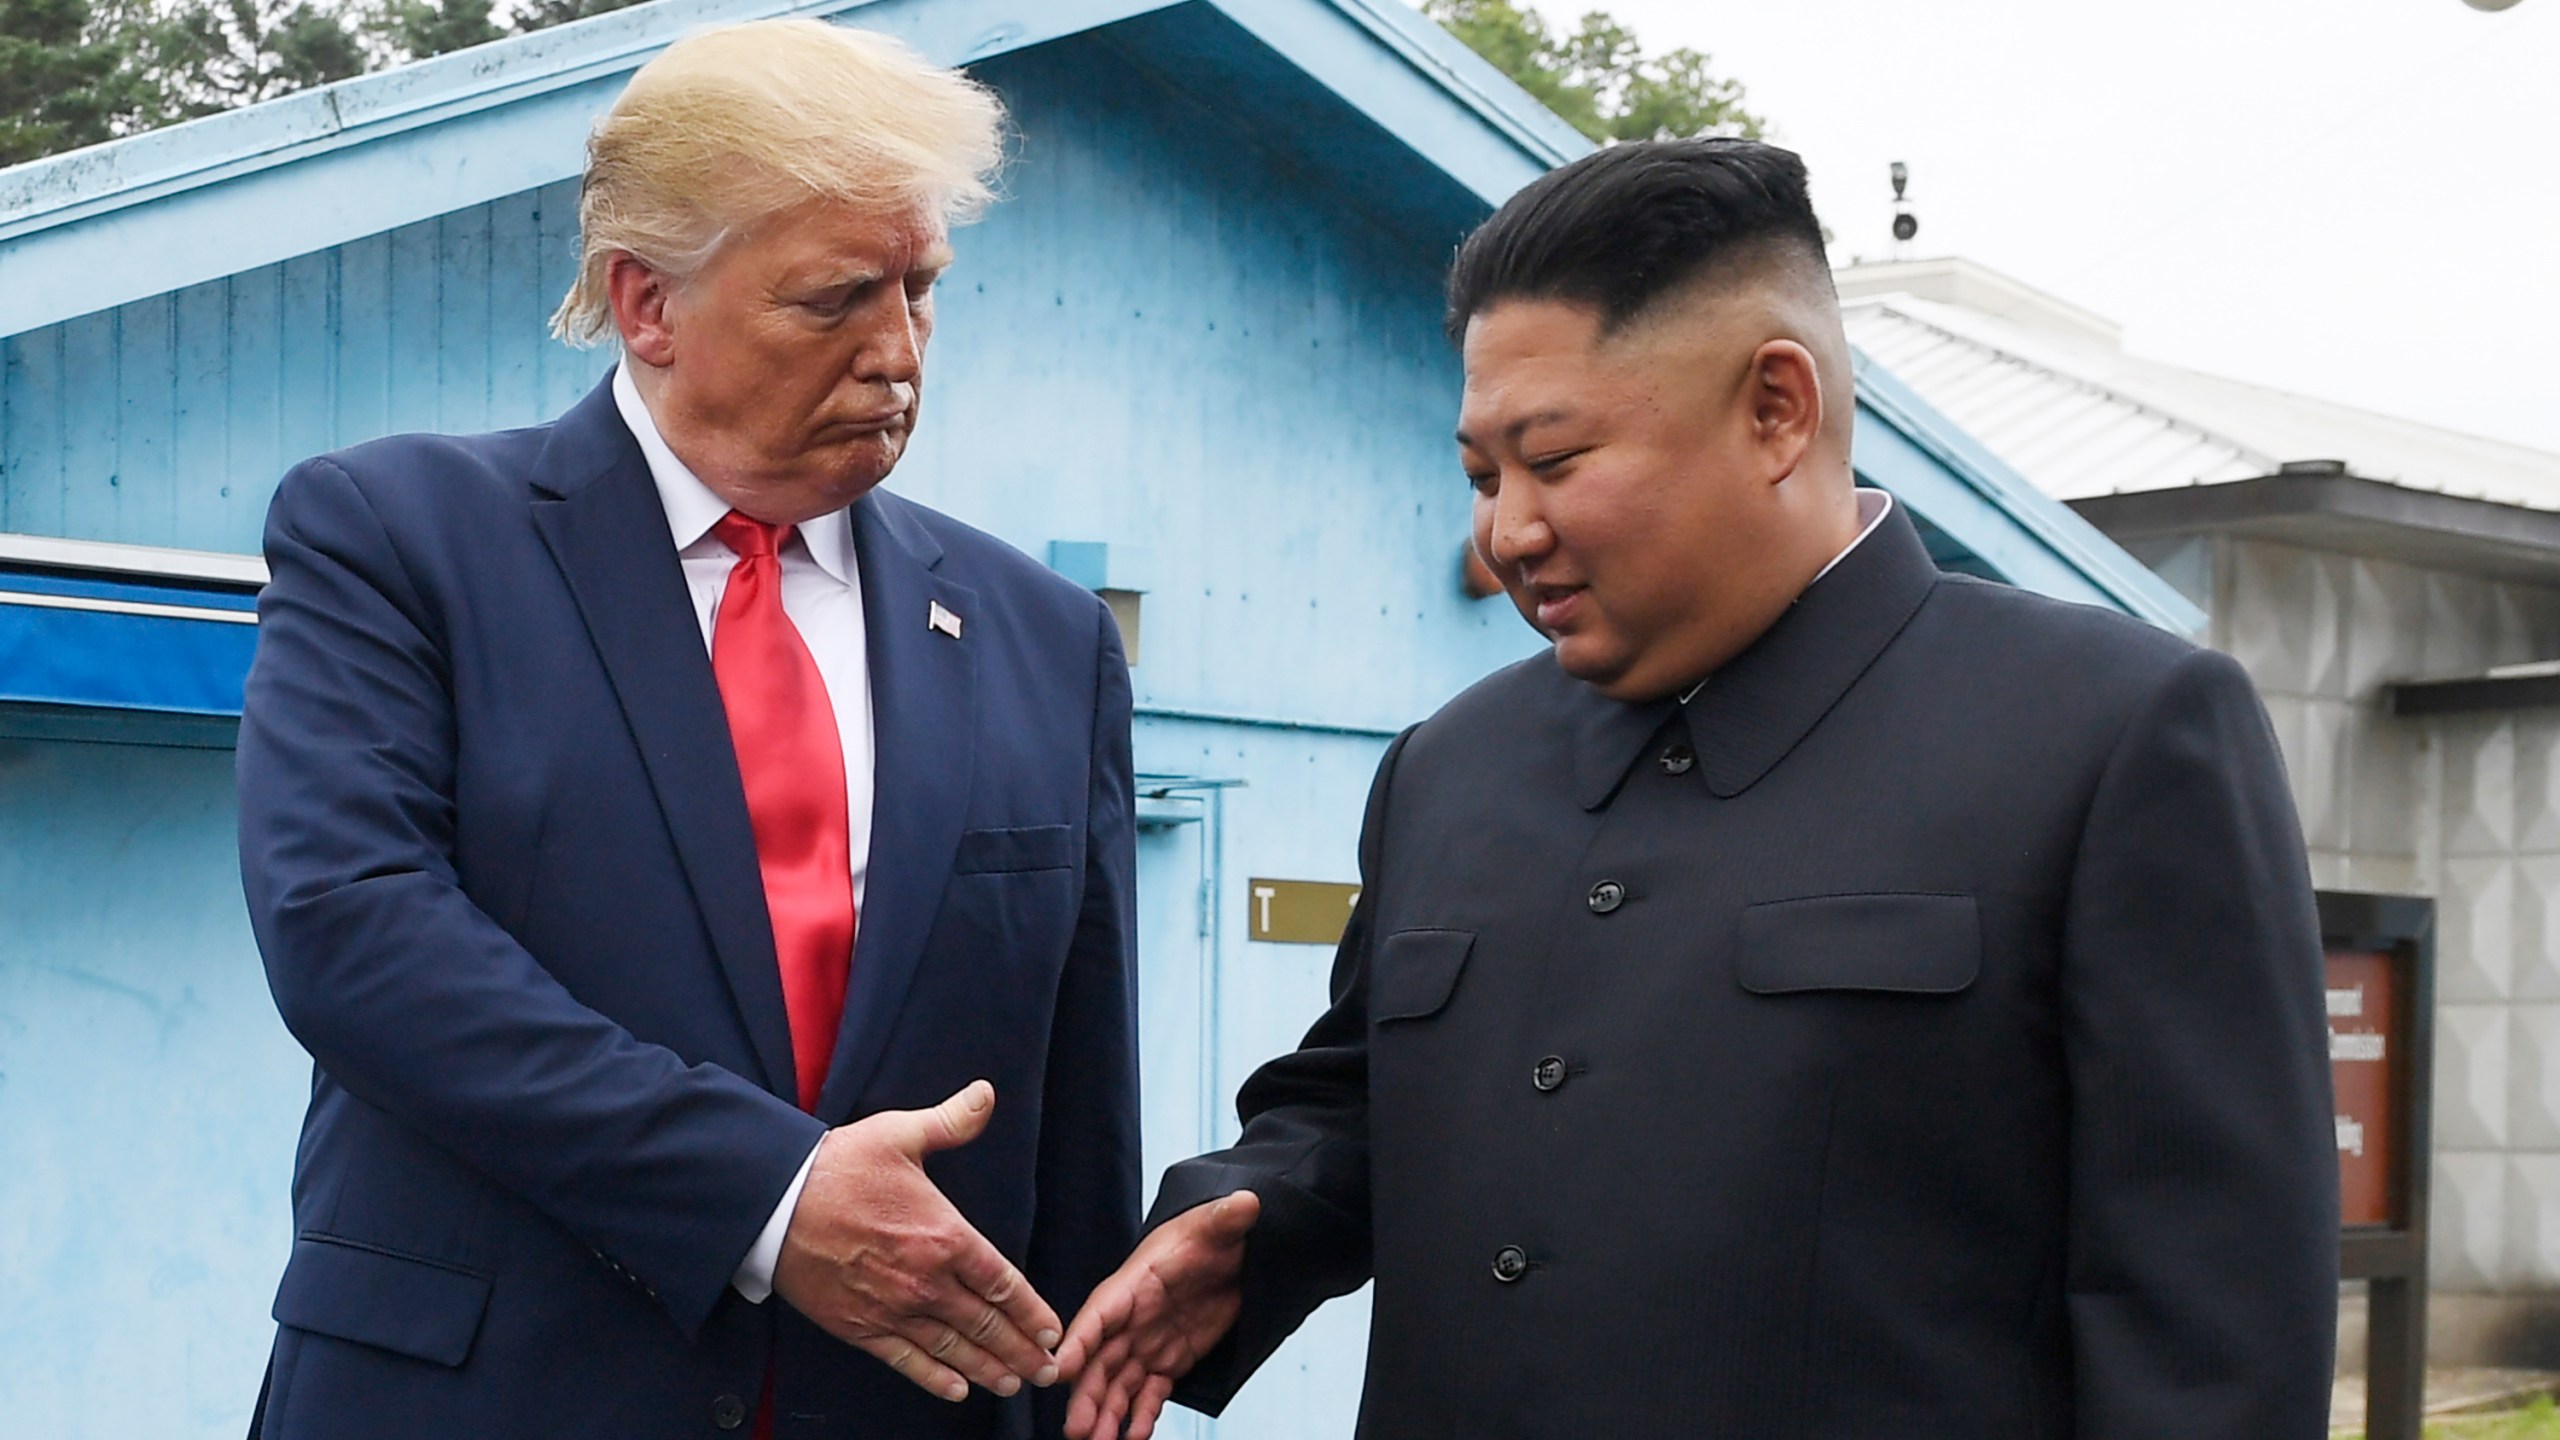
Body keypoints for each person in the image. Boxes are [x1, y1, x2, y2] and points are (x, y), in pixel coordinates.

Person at [1057, 138, 2337, 1440]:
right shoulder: (1449, 766)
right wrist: (1250, 1225)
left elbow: (2211, 1343)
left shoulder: (2111, 737)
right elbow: (1357, 1105)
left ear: (1777, 409)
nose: (1506, 531)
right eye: (1482, 476)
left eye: (1555, 461)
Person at [237, 20, 1138, 1438]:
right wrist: (768, 1196)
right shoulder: (398, 539)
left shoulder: (1048, 638)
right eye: (837, 298)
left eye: (922, 291)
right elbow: (352, 933)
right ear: (647, 304)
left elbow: (1076, 1107)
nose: (897, 353)